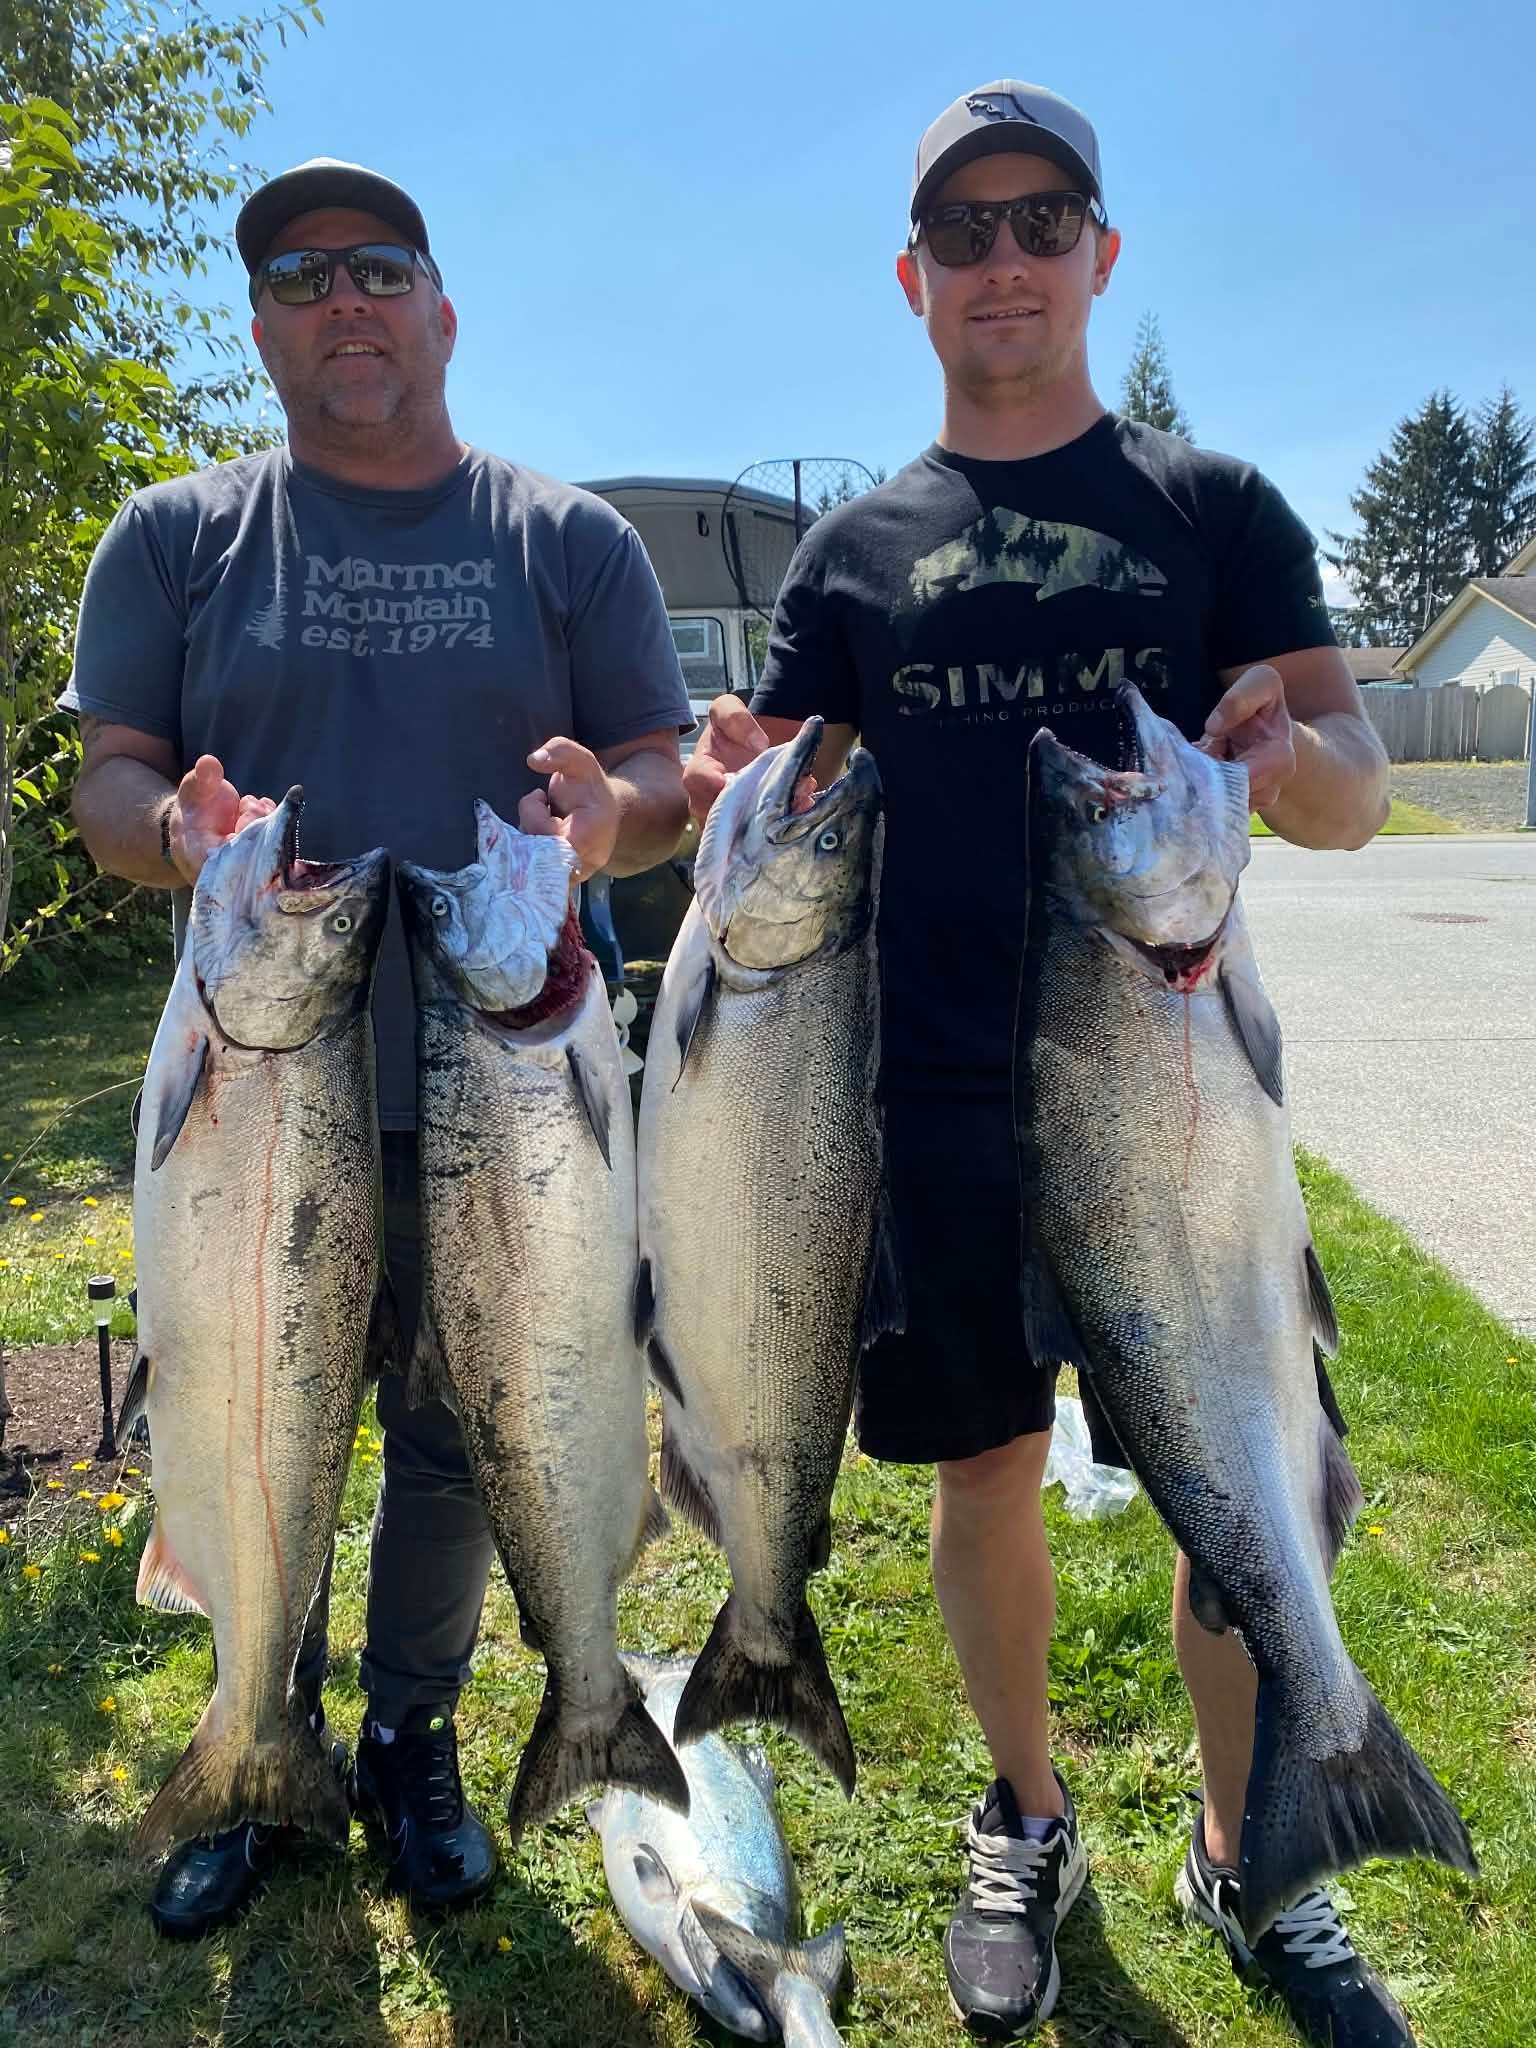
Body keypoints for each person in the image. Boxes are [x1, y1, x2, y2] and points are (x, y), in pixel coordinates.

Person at [686, 83, 1403, 2048]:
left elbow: (1354, 780)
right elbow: (765, 780)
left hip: (1174, 1113)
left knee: (1254, 1489)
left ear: (1101, 252)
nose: (1006, 258)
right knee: (985, 1470)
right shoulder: (849, 553)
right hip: (917, 1106)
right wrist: (686, 786)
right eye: (968, 231)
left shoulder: (1217, 513)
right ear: (915, 279)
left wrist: (1292, 762)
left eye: (1043, 218)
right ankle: (1030, 1815)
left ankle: (1257, 1853)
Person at [64, 157, 692, 1938]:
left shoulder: (568, 540)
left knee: (451, 1432)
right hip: (261, 1094)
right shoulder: (178, 534)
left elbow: (655, 774)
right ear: (262, 328)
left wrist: (610, 817)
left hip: (519, 1098)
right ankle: (259, 1724)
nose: (346, 298)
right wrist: (171, 835)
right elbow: (111, 782)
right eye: (304, 277)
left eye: (382, 268)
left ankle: (411, 1732)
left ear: (442, 309)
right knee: (256, 1409)